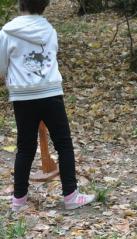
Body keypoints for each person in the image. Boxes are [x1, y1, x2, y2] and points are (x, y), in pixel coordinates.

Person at [0, 0, 95, 211]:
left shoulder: (6, 32)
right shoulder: (49, 30)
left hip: (22, 96)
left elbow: (2, 66)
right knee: (63, 144)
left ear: (19, 3)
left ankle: (19, 200)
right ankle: (71, 195)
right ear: (45, 5)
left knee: (25, 147)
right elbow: (51, 57)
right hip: (51, 93)